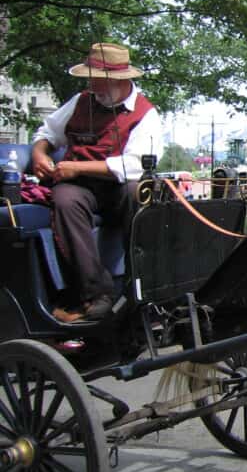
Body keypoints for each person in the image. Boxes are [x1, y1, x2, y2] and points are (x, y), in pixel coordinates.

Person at [31, 42, 163, 331]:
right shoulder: (81, 101)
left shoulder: (145, 114)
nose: (93, 86)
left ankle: (142, 288)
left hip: (117, 189)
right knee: (65, 200)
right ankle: (96, 294)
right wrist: (40, 153)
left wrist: (77, 166)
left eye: (100, 81)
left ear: (121, 81)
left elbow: (134, 165)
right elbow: (47, 132)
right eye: (92, 80)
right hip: (79, 188)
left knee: (137, 193)